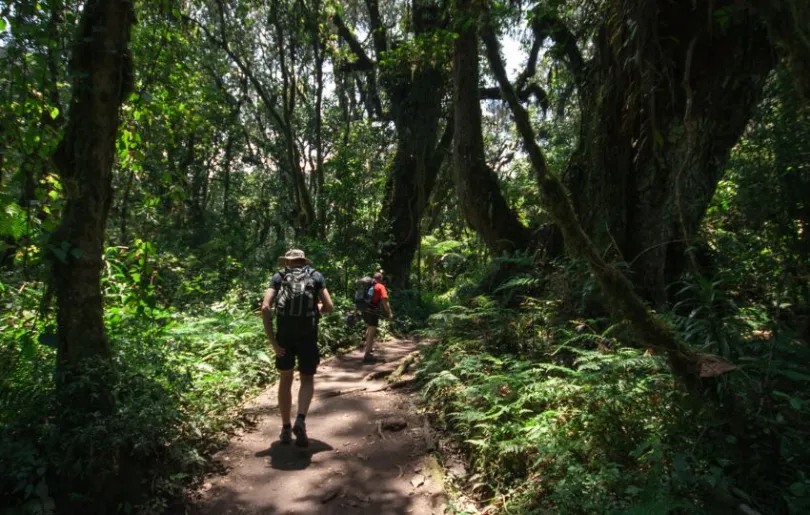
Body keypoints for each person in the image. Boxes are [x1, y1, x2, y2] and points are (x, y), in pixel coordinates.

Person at [261, 249, 333, 447]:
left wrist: (274, 343)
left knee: (286, 378)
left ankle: (285, 429)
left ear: (287, 262)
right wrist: (315, 308)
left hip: (284, 336)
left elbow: (266, 307)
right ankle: (301, 419)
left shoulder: (279, 277)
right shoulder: (316, 276)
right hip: (308, 335)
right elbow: (329, 307)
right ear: (303, 261)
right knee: (307, 378)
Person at [362, 271, 393, 363]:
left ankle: (369, 348)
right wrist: (389, 313)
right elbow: (384, 301)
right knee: (372, 330)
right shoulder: (380, 286)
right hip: (372, 310)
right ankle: (367, 355)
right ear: (381, 278)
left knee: (369, 327)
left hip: (364, 309)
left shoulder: (368, 285)